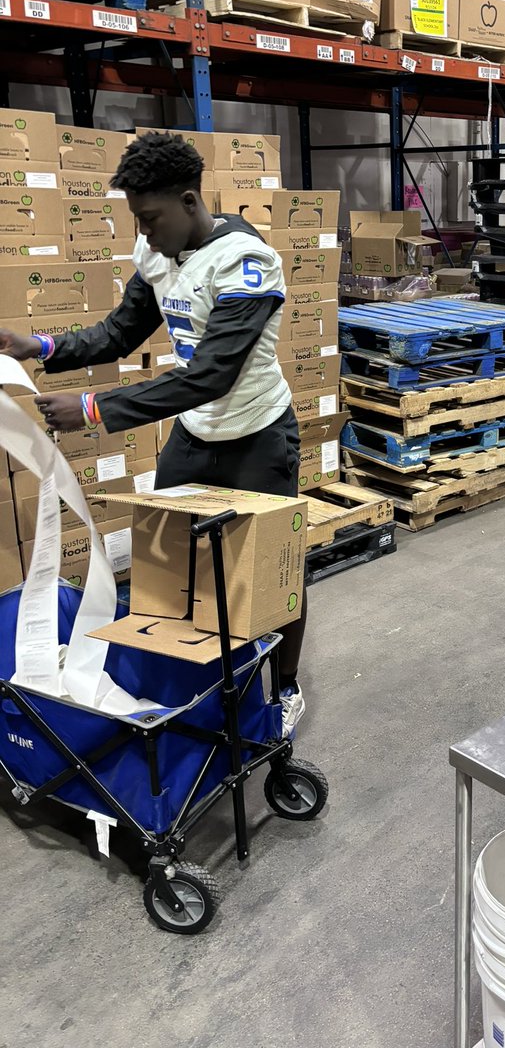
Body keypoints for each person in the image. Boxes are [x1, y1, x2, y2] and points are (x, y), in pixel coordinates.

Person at [0, 131, 307, 736]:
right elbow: (120, 332)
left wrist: (92, 408)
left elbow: (212, 376)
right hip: (194, 437)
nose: (144, 232)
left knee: (273, 576)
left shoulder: (247, 263)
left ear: (191, 200)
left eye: (151, 218)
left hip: (256, 437)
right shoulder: (158, 256)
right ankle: (181, 688)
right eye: (137, 220)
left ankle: (282, 689)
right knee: (166, 564)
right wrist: (42, 347)